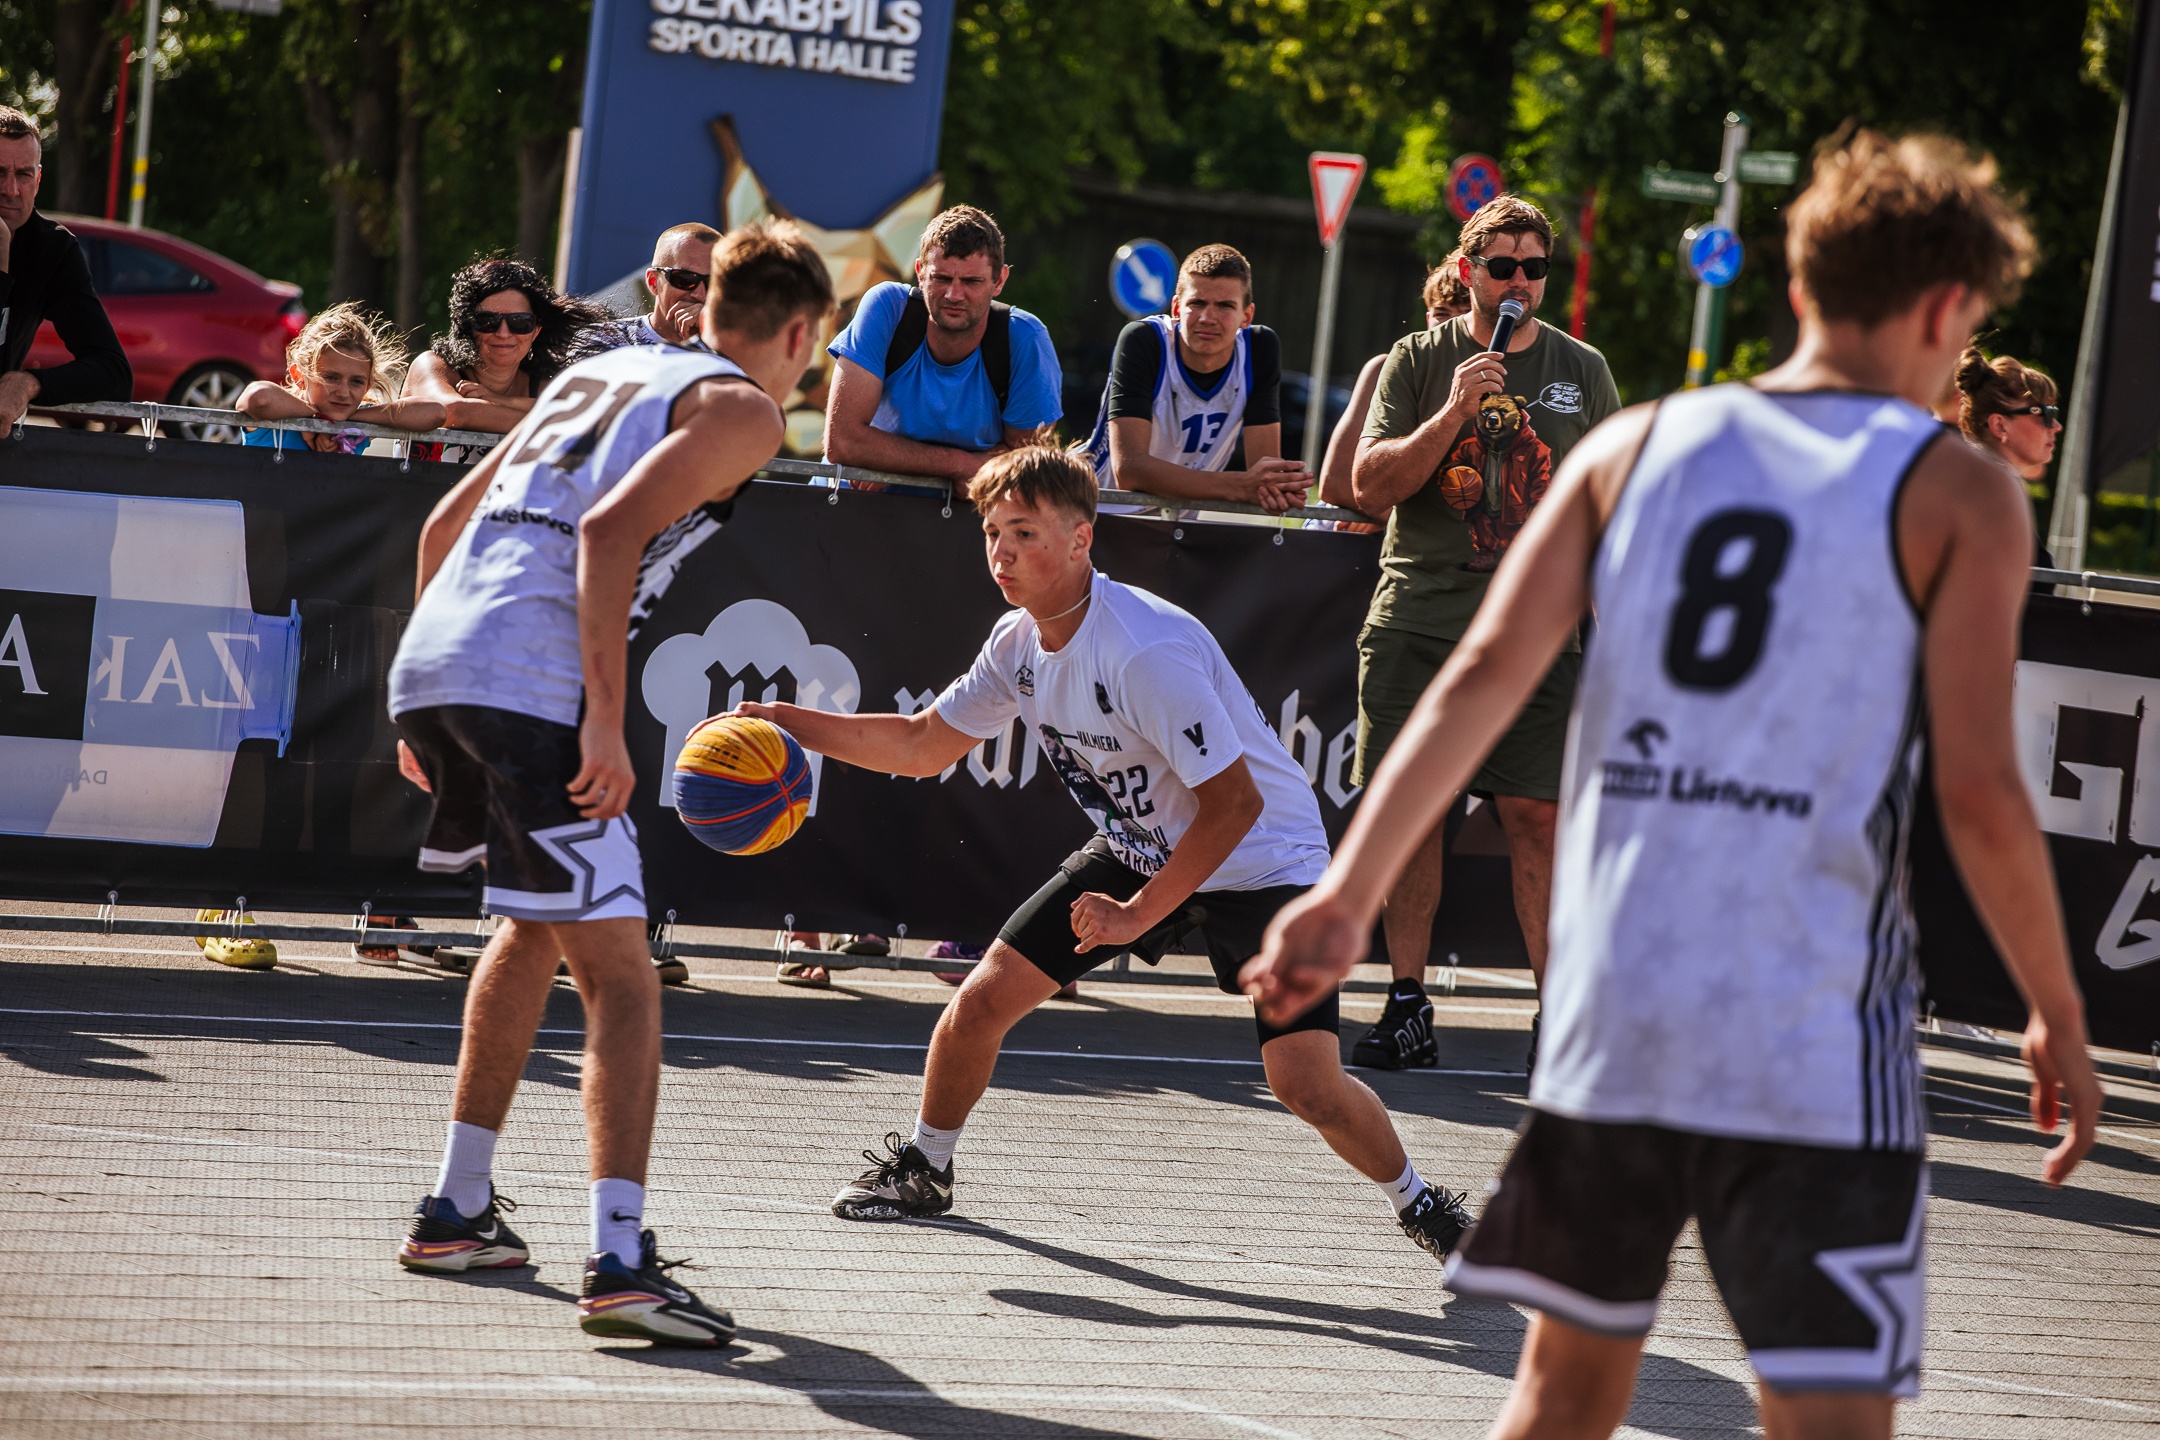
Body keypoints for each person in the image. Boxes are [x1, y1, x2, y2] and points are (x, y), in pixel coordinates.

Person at [1242, 129, 2103, 1440]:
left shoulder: (1638, 441)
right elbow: (1982, 789)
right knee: (1830, 1408)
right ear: (1947, 312)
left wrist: (1346, 895)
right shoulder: (1961, 492)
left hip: (1628, 991)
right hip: (1808, 1006)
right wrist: (2054, 1008)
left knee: (1563, 1395)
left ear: (1800, 283)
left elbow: (1478, 679)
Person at [737, 447, 1475, 1262]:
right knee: (979, 1005)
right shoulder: (1017, 642)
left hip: (1264, 860)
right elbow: (921, 744)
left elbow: (1236, 805)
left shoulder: (1142, 650)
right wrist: (781, 722)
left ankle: (1425, 1205)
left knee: (1305, 1082)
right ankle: (926, 1169)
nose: (1001, 552)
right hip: (1143, 845)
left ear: (1081, 539)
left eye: (1024, 532)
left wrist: (1135, 915)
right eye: (992, 532)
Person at [382, 220, 835, 1347]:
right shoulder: (742, 407)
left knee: (534, 929)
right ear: (799, 333)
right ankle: (622, 1262)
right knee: (626, 980)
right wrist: (600, 717)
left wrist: (424, 691)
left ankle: (458, 1208)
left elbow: (443, 523)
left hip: (441, 663)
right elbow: (609, 528)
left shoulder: (597, 376)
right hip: (530, 684)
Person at [1345, 200, 1620, 1074]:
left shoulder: (1582, 369)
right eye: (1501, 267)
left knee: (1537, 817)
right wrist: (1453, 411)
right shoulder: (1418, 359)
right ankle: (1407, 1003)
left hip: (1535, 631)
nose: (1518, 283)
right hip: (1421, 618)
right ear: (1467, 271)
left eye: (1534, 268)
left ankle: (1557, 1020)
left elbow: (1615, 506)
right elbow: (1368, 485)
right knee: (1416, 813)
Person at [811, 204, 1064, 982]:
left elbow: (1030, 475)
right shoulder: (887, 311)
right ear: (918, 272)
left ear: (1000, 281)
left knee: (971, 741)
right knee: (848, 715)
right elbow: (842, 440)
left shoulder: (1023, 339)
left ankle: (974, 925)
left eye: (972, 282)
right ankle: (814, 920)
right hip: (868, 547)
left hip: (979, 563)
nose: (954, 295)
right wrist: (962, 466)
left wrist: (933, 467)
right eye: (942, 278)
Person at [1083, 243, 1308, 513]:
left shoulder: (1259, 348)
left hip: (1178, 524)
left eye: (1225, 306)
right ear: (1176, 308)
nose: (1207, 317)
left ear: (1246, 316)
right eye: (1197, 303)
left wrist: (1278, 488)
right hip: (1098, 512)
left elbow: (1263, 472)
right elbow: (1130, 471)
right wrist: (1239, 486)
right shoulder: (1144, 340)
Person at [0, 106, 131, 430]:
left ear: (38, 180)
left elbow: (114, 373)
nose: (10, 190)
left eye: (23, 175)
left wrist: (29, 384)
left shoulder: (52, 248)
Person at [1318, 252, 1469, 525]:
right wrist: (1391, 520)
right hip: (1354, 533)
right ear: (1428, 319)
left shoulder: (1501, 383)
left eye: (1465, 315)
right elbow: (1334, 483)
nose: (1451, 326)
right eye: (1442, 314)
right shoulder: (1386, 369)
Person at [407, 258, 609, 449]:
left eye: (520, 322)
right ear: (468, 326)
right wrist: (554, 420)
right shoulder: (432, 365)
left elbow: (594, 418)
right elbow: (451, 412)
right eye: (488, 321)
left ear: (536, 331)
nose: (503, 333)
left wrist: (498, 400)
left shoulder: (543, 386)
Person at [235, 302, 443, 453]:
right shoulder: (274, 416)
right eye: (331, 378)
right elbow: (257, 398)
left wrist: (352, 419)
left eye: (357, 382)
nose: (343, 392)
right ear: (299, 375)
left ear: (368, 385)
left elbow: (435, 413)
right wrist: (316, 419)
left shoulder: (353, 428)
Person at [1955, 345, 2062, 566]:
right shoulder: (1985, 490)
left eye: (2054, 412)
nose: (2056, 426)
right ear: (2000, 425)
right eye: (2042, 413)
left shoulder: (1973, 480)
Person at [569, 223, 721, 357]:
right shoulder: (602, 339)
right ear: (653, 282)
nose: (700, 295)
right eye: (685, 279)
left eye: (715, 282)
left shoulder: (729, 348)